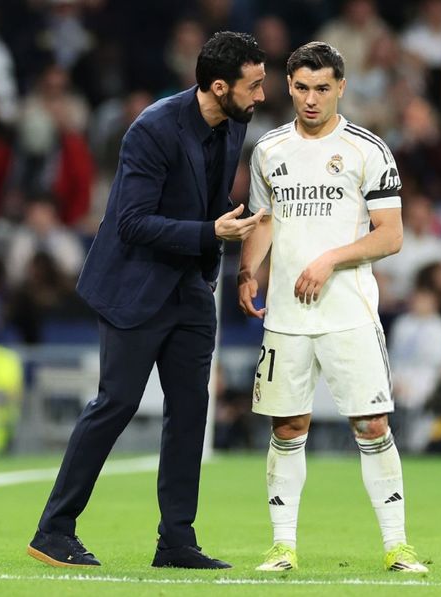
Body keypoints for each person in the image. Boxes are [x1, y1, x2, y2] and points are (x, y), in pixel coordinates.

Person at [27, 31, 266, 570]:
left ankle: (176, 540)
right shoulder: (153, 129)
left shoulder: (235, 123)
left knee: (191, 411)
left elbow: (207, 199)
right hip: (136, 286)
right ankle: (53, 530)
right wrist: (210, 233)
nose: (261, 96)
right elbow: (132, 222)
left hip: (191, 287)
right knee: (116, 403)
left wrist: (214, 252)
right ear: (219, 86)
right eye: (253, 85)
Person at [238, 42, 428, 573]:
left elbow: (390, 235)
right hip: (287, 317)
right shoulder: (269, 150)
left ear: (341, 87)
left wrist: (329, 260)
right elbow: (264, 220)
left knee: (371, 425)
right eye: (302, 87)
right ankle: (282, 547)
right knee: (287, 427)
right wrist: (247, 270)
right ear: (288, 86)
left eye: (322, 88)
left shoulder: (368, 150)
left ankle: (397, 545)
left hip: (349, 313)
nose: (311, 99)